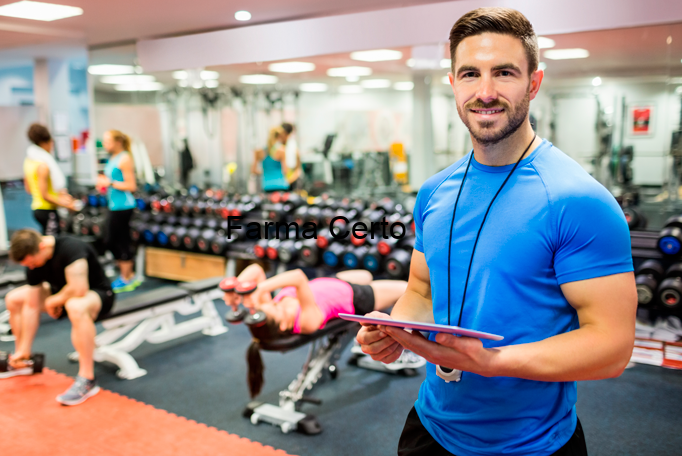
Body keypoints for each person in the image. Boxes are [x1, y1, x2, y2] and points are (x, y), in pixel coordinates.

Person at [356, 7, 636, 456]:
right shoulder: (434, 192)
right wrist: (392, 329)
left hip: (532, 444)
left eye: (503, 72)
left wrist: (493, 363)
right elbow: (423, 292)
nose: (484, 92)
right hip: (430, 427)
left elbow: (612, 345)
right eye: (470, 74)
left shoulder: (578, 200)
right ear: (453, 85)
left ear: (534, 83)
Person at [223, 264, 409, 397]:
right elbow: (297, 277)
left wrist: (237, 289)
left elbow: (255, 270)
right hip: (354, 296)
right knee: (409, 290)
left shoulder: (270, 308)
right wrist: (258, 289)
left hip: (331, 282)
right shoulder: (305, 322)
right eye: (275, 309)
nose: (271, 303)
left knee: (366, 273)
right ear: (281, 326)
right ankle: (403, 344)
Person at [0, 229, 114, 406]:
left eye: (32, 263)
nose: (32, 267)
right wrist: (24, 349)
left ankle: (87, 378)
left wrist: (52, 301)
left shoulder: (72, 248)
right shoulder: (33, 263)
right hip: (62, 295)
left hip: (98, 295)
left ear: (42, 246)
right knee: (14, 299)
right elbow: (32, 306)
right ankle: (23, 359)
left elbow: (79, 289)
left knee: (75, 306)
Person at [96, 130, 140, 293]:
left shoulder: (125, 158)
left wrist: (110, 183)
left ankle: (127, 278)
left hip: (124, 206)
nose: (105, 144)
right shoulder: (113, 158)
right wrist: (103, 185)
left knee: (119, 241)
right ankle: (129, 274)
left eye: (108, 141)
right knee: (109, 240)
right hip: (113, 205)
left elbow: (131, 186)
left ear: (118, 142)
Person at [24, 123, 76, 235]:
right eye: (51, 143)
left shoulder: (28, 161)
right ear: (44, 143)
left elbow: (28, 189)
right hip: (46, 210)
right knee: (52, 244)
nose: (52, 146)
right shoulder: (43, 166)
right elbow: (45, 195)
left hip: (37, 208)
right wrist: (66, 204)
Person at [251, 126, 289, 192]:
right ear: (279, 137)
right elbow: (285, 171)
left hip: (267, 186)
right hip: (281, 185)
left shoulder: (259, 151)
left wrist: (266, 172)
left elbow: (253, 170)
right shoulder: (281, 150)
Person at [280, 122, 303, 191]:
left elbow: (298, 168)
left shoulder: (293, 146)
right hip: (278, 182)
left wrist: (291, 180)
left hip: (291, 181)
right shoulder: (277, 147)